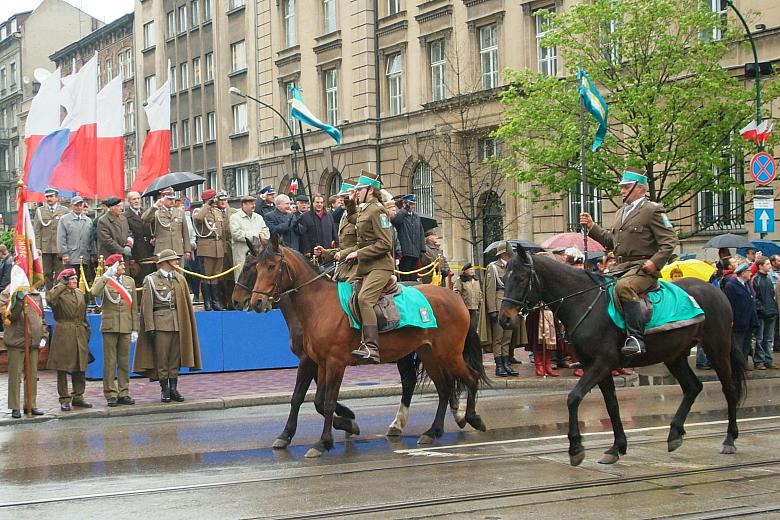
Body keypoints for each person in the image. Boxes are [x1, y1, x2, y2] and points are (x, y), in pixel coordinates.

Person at [580, 169, 678, 356]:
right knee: (597, 287)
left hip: (642, 270)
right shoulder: (620, 213)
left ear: (639, 188)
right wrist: (592, 227)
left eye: (626, 187)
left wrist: (654, 263)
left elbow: (670, 241)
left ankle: (636, 338)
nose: (622, 191)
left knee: (624, 287)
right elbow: (612, 242)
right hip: (620, 267)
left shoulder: (652, 210)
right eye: (622, 187)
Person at [134, 249, 202, 402]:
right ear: (165, 262)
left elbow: (184, 304)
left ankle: (173, 388)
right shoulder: (151, 280)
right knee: (162, 359)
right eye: (173, 259)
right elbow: (146, 306)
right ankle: (164, 389)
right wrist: (150, 327)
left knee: (174, 359)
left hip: (178, 323)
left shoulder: (179, 279)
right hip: (160, 324)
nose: (177, 262)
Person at [346, 172, 394, 364]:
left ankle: (371, 347)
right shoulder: (366, 210)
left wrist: (359, 253)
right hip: (366, 267)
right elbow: (354, 220)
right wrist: (350, 203)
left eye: (359, 190)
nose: (356, 193)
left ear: (371, 191)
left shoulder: (378, 211)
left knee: (365, 299)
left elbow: (385, 243)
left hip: (380, 266)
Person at [90, 254, 137, 407]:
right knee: (110, 362)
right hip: (110, 326)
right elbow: (95, 292)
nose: (124, 266)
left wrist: (134, 328)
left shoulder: (129, 281)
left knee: (124, 362)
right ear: (113, 266)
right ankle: (110, 393)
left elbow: (133, 307)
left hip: (125, 326)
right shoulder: (104, 280)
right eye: (121, 264)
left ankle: (123, 392)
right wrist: (106, 275)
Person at [2, 267, 47, 418]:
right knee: (15, 376)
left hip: (33, 341)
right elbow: (10, 317)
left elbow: (41, 318)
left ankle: (31, 404)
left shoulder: (35, 294)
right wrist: (19, 300)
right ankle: (15, 407)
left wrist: (44, 335)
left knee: (32, 375)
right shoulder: (7, 294)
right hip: (17, 340)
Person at [46, 268, 92, 411]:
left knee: (80, 366)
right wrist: (61, 284)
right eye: (71, 279)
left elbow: (83, 314)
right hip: (64, 333)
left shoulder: (79, 293)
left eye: (75, 278)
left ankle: (78, 396)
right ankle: (64, 398)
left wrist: (86, 330)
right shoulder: (59, 293)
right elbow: (49, 299)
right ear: (65, 280)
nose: (75, 281)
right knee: (63, 367)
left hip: (79, 332)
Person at [485, 241, 518, 377]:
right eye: (511, 252)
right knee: (498, 338)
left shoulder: (512, 267)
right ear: (504, 254)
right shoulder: (493, 268)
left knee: (507, 337)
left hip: (509, 307)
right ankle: (499, 364)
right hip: (499, 306)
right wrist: (492, 310)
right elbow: (490, 290)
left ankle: (506, 363)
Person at [314, 183, 358, 282]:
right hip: (345, 266)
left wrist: (343, 253)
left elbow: (364, 245)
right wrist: (325, 251)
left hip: (358, 266)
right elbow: (344, 247)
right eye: (341, 197)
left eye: (345, 197)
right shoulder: (344, 215)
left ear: (355, 196)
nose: (342, 200)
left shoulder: (361, 215)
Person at [193, 189, 228, 311]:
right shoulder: (200, 211)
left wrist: (223, 248)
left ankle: (216, 301)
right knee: (207, 276)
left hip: (218, 246)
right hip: (206, 247)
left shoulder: (217, 212)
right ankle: (207, 302)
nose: (217, 200)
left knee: (216, 276)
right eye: (215, 198)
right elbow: (198, 219)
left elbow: (222, 232)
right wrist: (207, 204)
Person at [34, 188, 70, 291]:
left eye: (51, 196)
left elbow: (67, 230)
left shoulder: (64, 210)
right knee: (47, 273)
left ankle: (59, 295)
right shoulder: (40, 211)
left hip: (59, 247)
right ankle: (49, 295)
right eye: (47, 197)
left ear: (57, 198)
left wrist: (66, 247)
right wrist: (38, 247)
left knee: (60, 273)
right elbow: (37, 231)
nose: (48, 199)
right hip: (46, 248)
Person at [724, 262, 758, 369]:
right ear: (743, 273)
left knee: (746, 345)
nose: (750, 274)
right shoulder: (731, 286)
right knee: (737, 344)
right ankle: (737, 366)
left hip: (749, 320)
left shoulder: (747, 284)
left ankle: (743, 363)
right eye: (748, 272)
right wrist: (731, 319)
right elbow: (729, 304)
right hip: (739, 321)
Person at [142, 187, 192, 259]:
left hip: (177, 249)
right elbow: (145, 219)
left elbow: (185, 233)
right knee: (163, 270)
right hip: (162, 250)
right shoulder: (156, 211)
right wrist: (155, 206)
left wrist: (187, 250)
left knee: (178, 270)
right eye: (169, 199)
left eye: (173, 199)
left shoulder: (179, 212)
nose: (172, 201)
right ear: (162, 198)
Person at [230, 195, 270, 281]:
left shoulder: (258, 217)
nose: (254, 206)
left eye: (254, 203)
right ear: (244, 205)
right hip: (242, 254)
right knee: (242, 278)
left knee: (257, 278)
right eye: (251, 203)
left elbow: (266, 231)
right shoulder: (235, 218)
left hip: (258, 254)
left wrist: (262, 236)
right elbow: (236, 234)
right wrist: (254, 236)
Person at [57, 196, 95, 283]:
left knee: (85, 281)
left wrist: (93, 253)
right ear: (71, 206)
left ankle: (84, 297)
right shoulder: (64, 219)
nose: (78, 207)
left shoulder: (88, 220)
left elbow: (91, 239)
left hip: (85, 256)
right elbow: (61, 238)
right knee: (71, 280)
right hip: (71, 257)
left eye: (80, 205)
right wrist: (64, 254)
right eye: (76, 205)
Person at [391, 194, 426, 282]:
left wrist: (422, 249)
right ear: (405, 204)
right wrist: (403, 211)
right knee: (405, 277)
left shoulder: (416, 217)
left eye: (413, 204)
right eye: (410, 204)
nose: (412, 206)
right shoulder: (401, 215)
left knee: (413, 277)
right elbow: (395, 222)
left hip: (415, 252)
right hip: (405, 252)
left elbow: (421, 233)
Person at [124, 191, 156, 285]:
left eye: (138, 198)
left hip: (150, 250)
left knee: (151, 279)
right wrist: (131, 258)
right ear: (129, 201)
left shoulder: (146, 212)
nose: (137, 201)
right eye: (134, 199)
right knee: (139, 280)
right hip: (137, 253)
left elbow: (153, 228)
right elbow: (127, 236)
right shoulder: (125, 216)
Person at [752, 257, 777, 369]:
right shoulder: (757, 279)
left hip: (771, 311)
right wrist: (761, 309)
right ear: (760, 266)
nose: (769, 266)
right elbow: (755, 297)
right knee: (760, 338)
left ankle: (768, 360)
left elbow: (772, 296)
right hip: (762, 314)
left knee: (768, 339)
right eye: (767, 264)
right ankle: (759, 361)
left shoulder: (768, 279)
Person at [299, 193, 338, 260]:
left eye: (321, 202)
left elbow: (334, 233)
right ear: (312, 203)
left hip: (327, 253)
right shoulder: (305, 216)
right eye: (317, 202)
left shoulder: (329, 216)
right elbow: (303, 236)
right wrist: (307, 251)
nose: (319, 204)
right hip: (313, 254)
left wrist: (337, 247)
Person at [96, 196, 131, 261]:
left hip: (123, 257)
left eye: (121, 206)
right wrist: (122, 250)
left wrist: (128, 245)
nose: (121, 208)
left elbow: (129, 234)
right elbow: (107, 241)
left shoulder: (123, 219)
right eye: (118, 206)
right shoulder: (103, 221)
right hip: (109, 257)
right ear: (111, 208)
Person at [453, 262, 481, 332]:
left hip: (475, 307)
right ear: (465, 271)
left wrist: (480, 302)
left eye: (473, 269)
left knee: (474, 326)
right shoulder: (461, 280)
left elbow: (479, 292)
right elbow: (456, 292)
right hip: (465, 307)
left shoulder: (476, 280)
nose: (472, 271)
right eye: (470, 269)